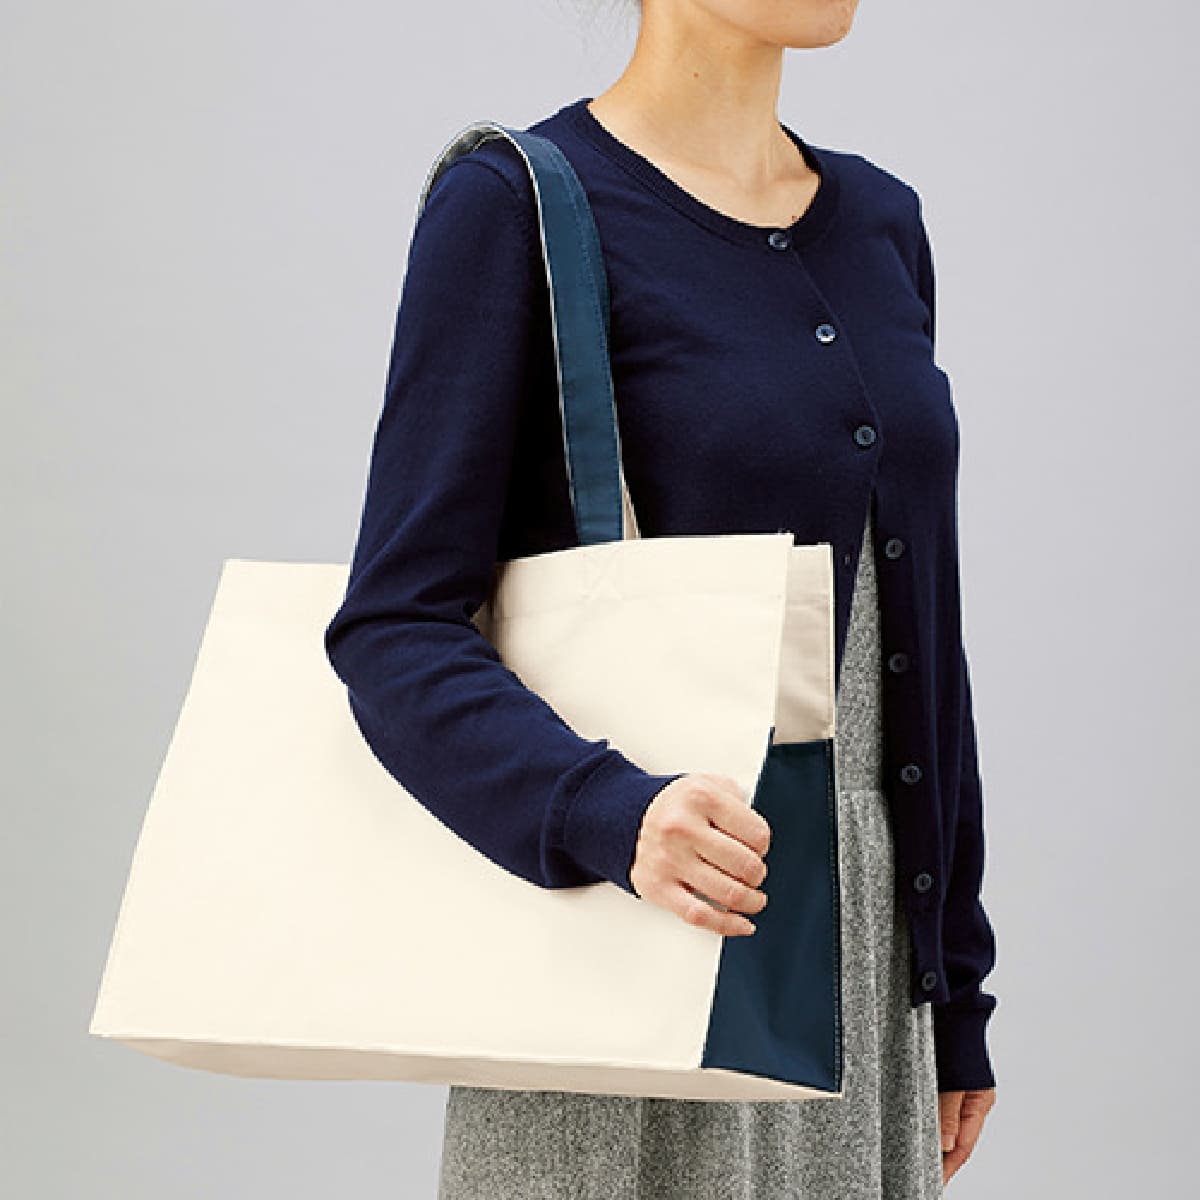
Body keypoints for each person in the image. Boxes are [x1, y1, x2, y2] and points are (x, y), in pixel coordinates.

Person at [324, 1, 999, 1194]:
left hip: (864, 967)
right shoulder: (515, 208)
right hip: (638, 935)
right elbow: (394, 626)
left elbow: (921, 641)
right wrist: (608, 813)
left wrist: (953, 989)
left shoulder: (882, 222)